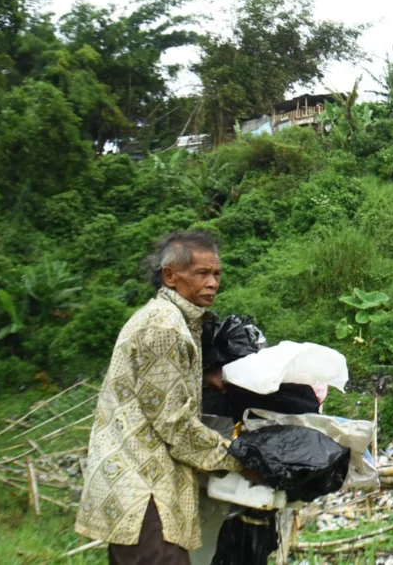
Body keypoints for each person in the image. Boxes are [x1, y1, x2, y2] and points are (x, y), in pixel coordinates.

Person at [76, 231, 242, 564]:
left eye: (217, 274)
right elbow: (173, 424)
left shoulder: (167, 319)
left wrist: (201, 378)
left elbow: (158, 390)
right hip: (144, 490)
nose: (212, 283)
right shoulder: (165, 327)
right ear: (170, 276)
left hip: (137, 485)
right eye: (201, 274)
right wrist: (238, 459)